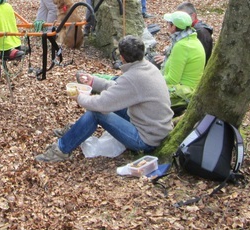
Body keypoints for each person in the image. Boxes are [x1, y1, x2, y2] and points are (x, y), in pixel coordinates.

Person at [35, 35, 173, 162]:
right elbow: (120, 89)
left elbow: (101, 104)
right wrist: (94, 81)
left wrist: (79, 97)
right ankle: (75, 130)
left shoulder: (133, 77)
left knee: (96, 113)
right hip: (153, 127)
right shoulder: (146, 67)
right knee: (100, 109)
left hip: (146, 139)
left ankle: (61, 150)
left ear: (122, 57)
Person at [153, 11, 206, 115]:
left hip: (182, 93)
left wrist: (151, 78)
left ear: (174, 27)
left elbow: (172, 80)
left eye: (169, 23)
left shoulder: (182, 46)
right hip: (186, 89)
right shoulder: (190, 38)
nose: (167, 25)